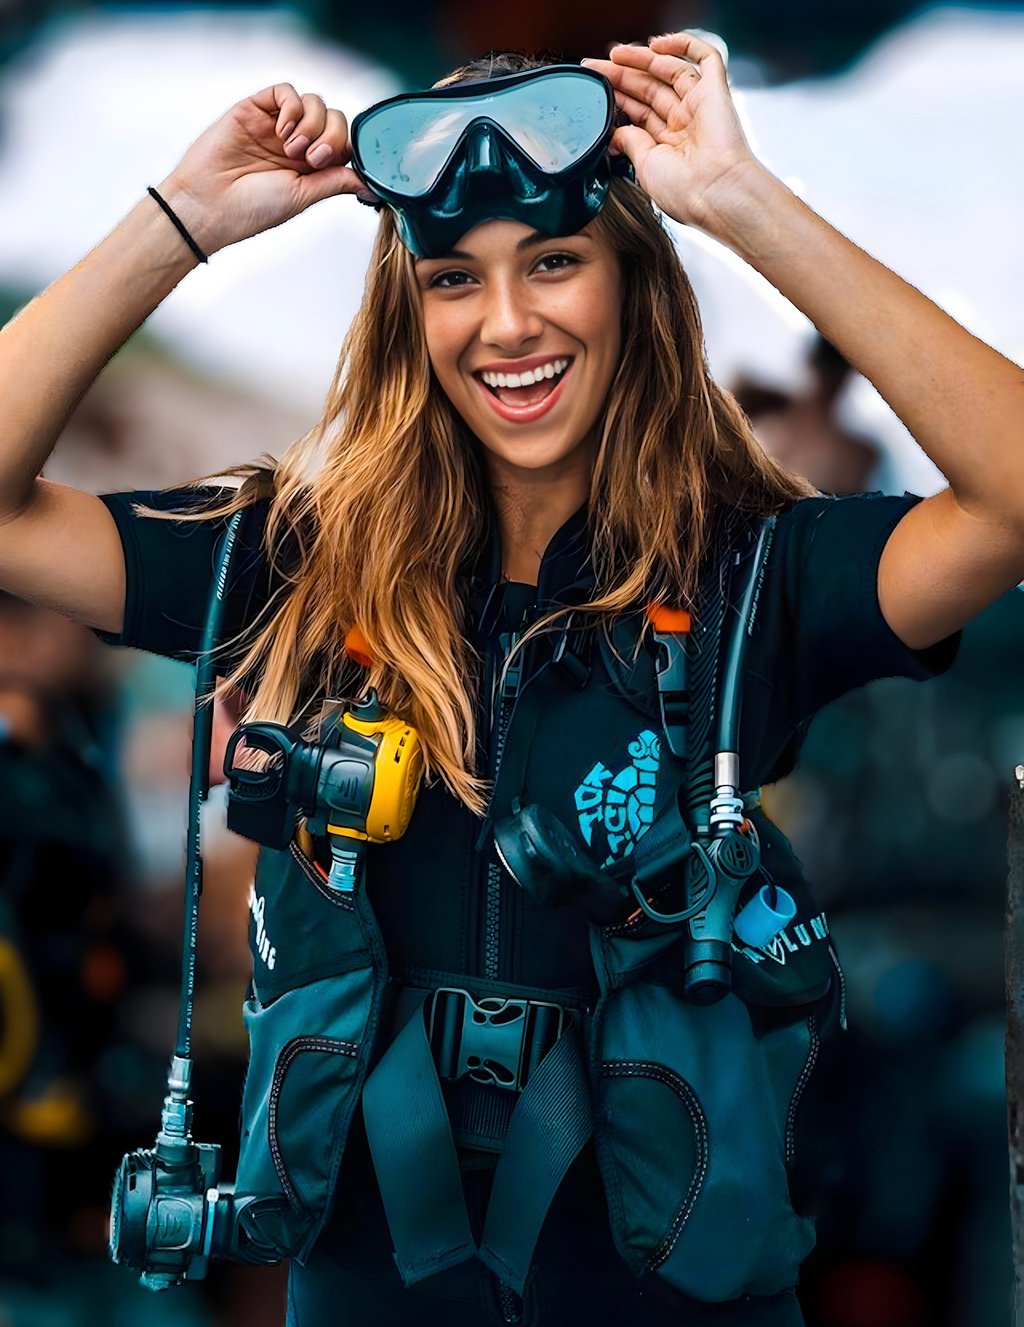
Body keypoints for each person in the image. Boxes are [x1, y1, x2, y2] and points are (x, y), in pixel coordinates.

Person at [0, 31, 1020, 1327]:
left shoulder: (761, 576)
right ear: (406, 312)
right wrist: (181, 222)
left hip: (674, 1287)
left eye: (554, 262)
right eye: (453, 280)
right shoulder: (290, 562)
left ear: (631, 286)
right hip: (372, 1283)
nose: (509, 324)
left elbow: (1014, 499)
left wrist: (743, 206)